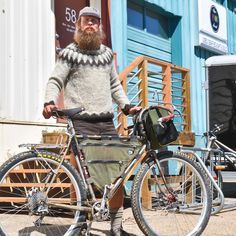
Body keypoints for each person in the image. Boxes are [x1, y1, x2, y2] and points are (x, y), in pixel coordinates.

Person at [43, 6, 141, 236]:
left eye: (94, 21)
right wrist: (49, 101)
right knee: (80, 176)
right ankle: (79, 224)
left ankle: (116, 228)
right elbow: (55, 80)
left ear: (99, 27)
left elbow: (115, 85)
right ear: (78, 24)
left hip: (106, 122)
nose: (90, 24)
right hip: (81, 122)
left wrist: (126, 106)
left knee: (115, 176)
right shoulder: (68, 52)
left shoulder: (106, 54)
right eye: (86, 20)